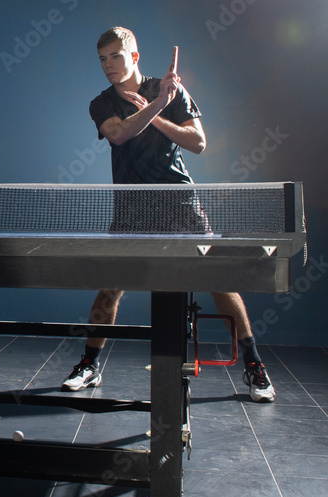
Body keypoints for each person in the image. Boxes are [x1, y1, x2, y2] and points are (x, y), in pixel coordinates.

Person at [61, 26, 275, 403]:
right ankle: (89, 364)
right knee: (110, 287)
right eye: (102, 59)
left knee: (220, 281)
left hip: (179, 202)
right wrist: (157, 105)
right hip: (132, 205)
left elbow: (198, 143)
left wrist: (159, 107)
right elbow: (119, 135)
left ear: (134, 56)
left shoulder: (170, 89)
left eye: (115, 56)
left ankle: (255, 365)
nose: (108, 65)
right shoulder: (103, 103)